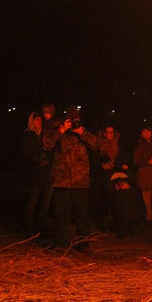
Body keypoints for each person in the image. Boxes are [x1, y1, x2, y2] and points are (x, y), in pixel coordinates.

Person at [43, 105, 99, 249]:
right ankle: (59, 244)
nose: (73, 123)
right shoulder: (58, 132)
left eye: (76, 120)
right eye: (70, 120)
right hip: (62, 181)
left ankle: (82, 244)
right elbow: (47, 144)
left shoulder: (83, 133)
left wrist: (82, 132)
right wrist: (61, 130)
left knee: (81, 214)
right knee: (60, 215)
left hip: (80, 181)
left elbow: (97, 145)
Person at [21, 111, 52, 236]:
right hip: (34, 173)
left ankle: (41, 226)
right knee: (32, 201)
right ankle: (29, 227)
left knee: (45, 202)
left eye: (40, 120)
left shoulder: (45, 134)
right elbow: (26, 153)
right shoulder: (28, 135)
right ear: (31, 121)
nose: (38, 122)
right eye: (36, 120)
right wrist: (37, 156)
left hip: (47, 171)